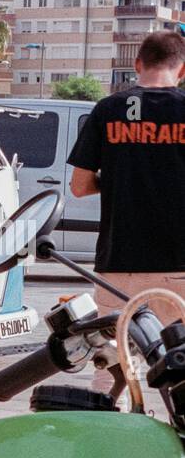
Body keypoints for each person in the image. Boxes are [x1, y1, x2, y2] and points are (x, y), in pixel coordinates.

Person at [68, 29, 185, 394]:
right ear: (182, 70)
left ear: (137, 65)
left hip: (117, 264)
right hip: (178, 264)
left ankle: (106, 423)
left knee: (113, 365)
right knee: (181, 367)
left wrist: (118, 180)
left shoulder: (107, 110)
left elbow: (79, 186)